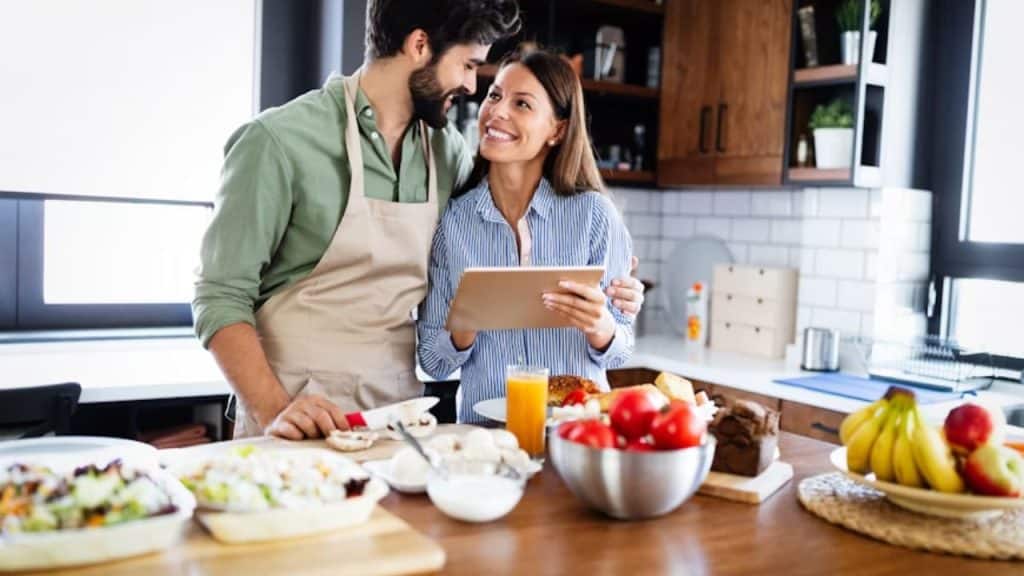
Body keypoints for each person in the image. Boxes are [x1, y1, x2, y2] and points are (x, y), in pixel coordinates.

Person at [193, 1, 647, 440]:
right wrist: (275, 409)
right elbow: (220, 295)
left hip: (396, 420)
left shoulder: (447, 154)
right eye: (469, 65)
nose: (472, 86)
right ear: (419, 45)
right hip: (295, 413)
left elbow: (515, 202)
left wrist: (619, 299)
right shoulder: (278, 141)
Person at [418, 50, 634, 423]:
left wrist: (602, 327)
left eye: (522, 104)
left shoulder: (594, 217)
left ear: (558, 130)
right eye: (495, 96)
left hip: (573, 436)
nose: (498, 112)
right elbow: (433, 362)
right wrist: (464, 326)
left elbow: (620, 352)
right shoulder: (454, 223)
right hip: (484, 440)